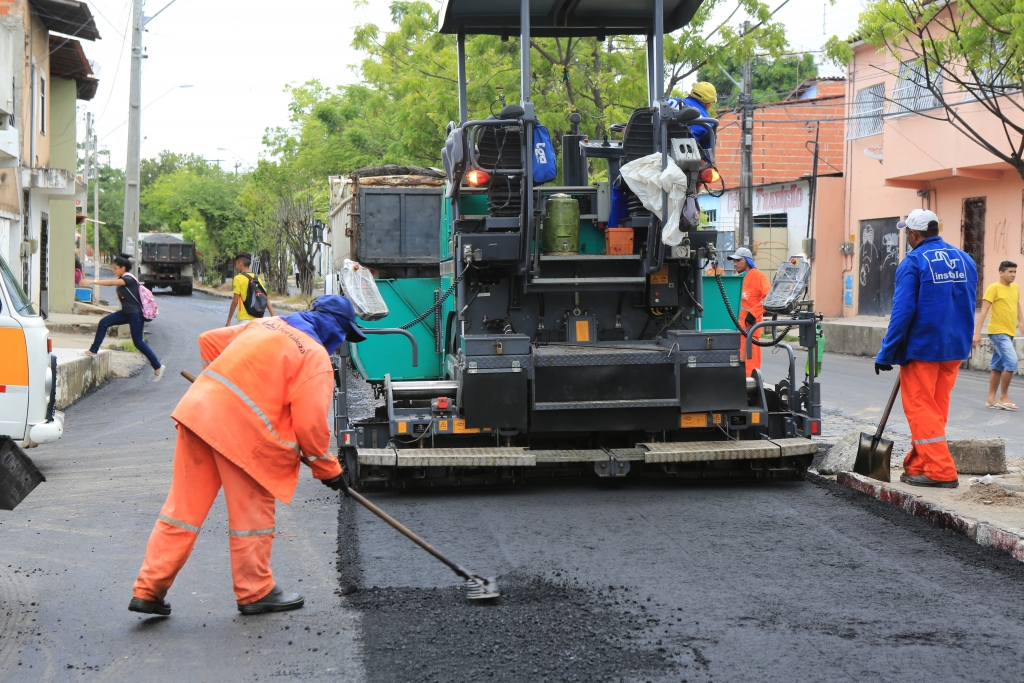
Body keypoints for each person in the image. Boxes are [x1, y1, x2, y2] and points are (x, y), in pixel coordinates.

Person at [129, 295, 367, 617]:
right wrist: (328, 470)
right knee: (251, 516)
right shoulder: (314, 358)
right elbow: (311, 427)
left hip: (200, 413)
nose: (341, 345)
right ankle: (255, 592)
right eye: (343, 337)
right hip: (244, 438)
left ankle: (148, 590)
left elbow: (209, 341)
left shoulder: (268, 324)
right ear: (336, 330)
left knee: (181, 511)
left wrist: (219, 386)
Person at [875, 209, 977, 488]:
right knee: (935, 409)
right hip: (955, 347)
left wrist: (886, 352)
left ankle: (942, 471)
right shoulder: (965, 259)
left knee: (921, 408)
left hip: (924, 347)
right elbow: (968, 302)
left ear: (913, 234)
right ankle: (920, 463)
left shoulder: (913, 262)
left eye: (906, 231)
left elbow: (903, 311)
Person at [81, 254, 165, 382]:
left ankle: (158, 365)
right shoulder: (124, 279)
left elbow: (110, 283)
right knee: (103, 323)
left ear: (123, 268)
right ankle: (93, 350)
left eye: (115, 268)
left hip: (135, 315)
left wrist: (91, 281)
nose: (113, 270)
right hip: (126, 313)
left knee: (138, 343)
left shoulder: (128, 278)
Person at [973, 260, 1023, 410]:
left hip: (1009, 332)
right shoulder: (993, 288)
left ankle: (990, 399)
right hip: (998, 332)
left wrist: (1021, 321)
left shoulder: (1014, 288)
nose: (1013, 274)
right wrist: (977, 333)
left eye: (1015, 271)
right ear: (1001, 272)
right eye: (1010, 272)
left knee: (997, 366)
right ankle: (1003, 397)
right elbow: (983, 312)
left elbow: (1017, 304)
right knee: (1012, 362)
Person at [728, 247, 770, 377]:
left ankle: (750, 395)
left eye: (738, 260)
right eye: (733, 261)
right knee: (737, 368)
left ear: (747, 260)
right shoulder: (738, 278)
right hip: (737, 332)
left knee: (750, 369)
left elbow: (769, 297)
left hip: (750, 331)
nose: (735, 264)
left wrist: (753, 313)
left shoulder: (758, 276)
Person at [226, 253, 274, 326]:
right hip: (258, 319)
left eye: (236, 264)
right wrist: (274, 316)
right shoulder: (257, 278)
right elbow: (265, 298)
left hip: (245, 319)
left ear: (240, 263)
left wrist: (229, 320)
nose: (236, 266)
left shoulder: (238, 278)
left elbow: (235, 301)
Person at [668, 81, 717, 154]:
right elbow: (706, 161)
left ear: (690, 95)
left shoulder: (667, 101)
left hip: (651, 153)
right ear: (708, 104)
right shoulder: (709, 124)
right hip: (679, 159)